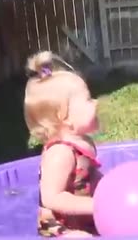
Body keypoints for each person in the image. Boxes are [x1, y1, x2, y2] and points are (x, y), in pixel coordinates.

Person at [23, 51, 102, 238]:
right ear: (64, 116)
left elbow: (90, 175)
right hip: (58, 226)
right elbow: (52, 197)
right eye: (88, 100)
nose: (96, 103)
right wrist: (97, 205)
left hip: (82, 218)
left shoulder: (84, 142)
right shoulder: (60, 153)